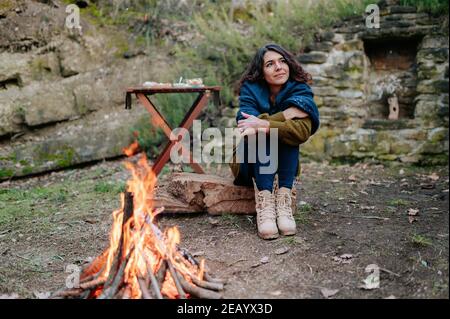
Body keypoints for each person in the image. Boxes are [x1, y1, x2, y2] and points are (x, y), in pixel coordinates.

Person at [229, 43, 320, 240]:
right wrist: (286, 115)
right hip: (249, 162)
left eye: (282, 61)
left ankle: (284, 202)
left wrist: (265, 123)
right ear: (261, 72)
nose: (279, 67)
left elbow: (302, 132)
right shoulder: (250, 90)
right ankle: (265, 205)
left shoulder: (300, 89)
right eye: (270, 64)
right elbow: (247, 127)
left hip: (283, 164)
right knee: (263, 134)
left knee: (288, 135)